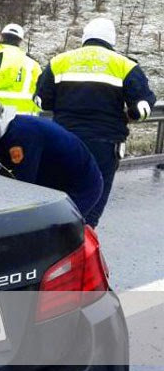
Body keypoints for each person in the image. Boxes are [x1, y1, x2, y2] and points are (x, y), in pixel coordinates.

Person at [35, 18, 157, 227]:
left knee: (59, 198)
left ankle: (52, 237)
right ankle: (82, 238)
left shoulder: (59, 61)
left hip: (63, 139)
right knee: (91, 203)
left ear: (85, 36)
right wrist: (131, 115)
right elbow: (143, 108)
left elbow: (41, 101)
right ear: (112, 39)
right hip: (104, 144)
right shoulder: (124, 65)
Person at [0, 89, 104, 221]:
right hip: (54, 180)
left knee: (53, 231)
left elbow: (23, 187)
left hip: (80, 188)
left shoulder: (22, 136)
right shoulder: (3, 132)